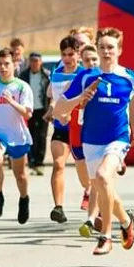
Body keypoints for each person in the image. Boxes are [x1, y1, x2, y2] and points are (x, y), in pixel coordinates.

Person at [55, 27, 134, 255]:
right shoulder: (86, 76)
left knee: (102, 176)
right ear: (96, 49)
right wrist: (80, 98)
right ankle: (127, 221)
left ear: (119, 50)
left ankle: (106, 236)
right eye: (102, 47)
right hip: (91, 140)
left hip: (118, 138)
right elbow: (60, 109)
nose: (106, 51)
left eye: (110, 47)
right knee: (103, 187)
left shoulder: (129, 76)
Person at [0, 48, 34, 225]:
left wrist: (11, 102)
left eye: (7, 64)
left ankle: (24, 199)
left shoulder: (22, 87)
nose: (3, 68)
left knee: (20, 175)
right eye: (0, 64)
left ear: (14, 65)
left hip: (18, 135)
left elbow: (27, 114)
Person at [44, 37, 81, 222]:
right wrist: (51, 110)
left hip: (83, 129)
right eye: (64, 55)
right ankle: (58, 207)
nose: (67, 58)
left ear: (78, 54)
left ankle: (95, 200)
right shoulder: (56, 74)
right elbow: (53, 97)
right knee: (58, 164)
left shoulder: (85, 73)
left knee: (89, 172)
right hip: (61, 127)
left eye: (71, 54)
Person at [73, 45, 101, 237]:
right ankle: (122, 218)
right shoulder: (81, 78)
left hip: (104, 133)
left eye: (94, 59)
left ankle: (95, 219)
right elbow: (65, 99)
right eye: (87, 60)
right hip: (79, 128)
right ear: (81, 61)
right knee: (87, 179)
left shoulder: (109, 76)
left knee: (101, 177)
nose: (91, 63)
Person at [19, 52, 50, 177]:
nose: (34, 63)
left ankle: (39, 162)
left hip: (43, 109)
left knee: (41, 136)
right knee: (30, 135)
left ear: (40, 62)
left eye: (37, 61)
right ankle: (31, 161)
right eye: (32, 61)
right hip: (29, 109)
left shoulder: (46, 75)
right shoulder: (24, 75)